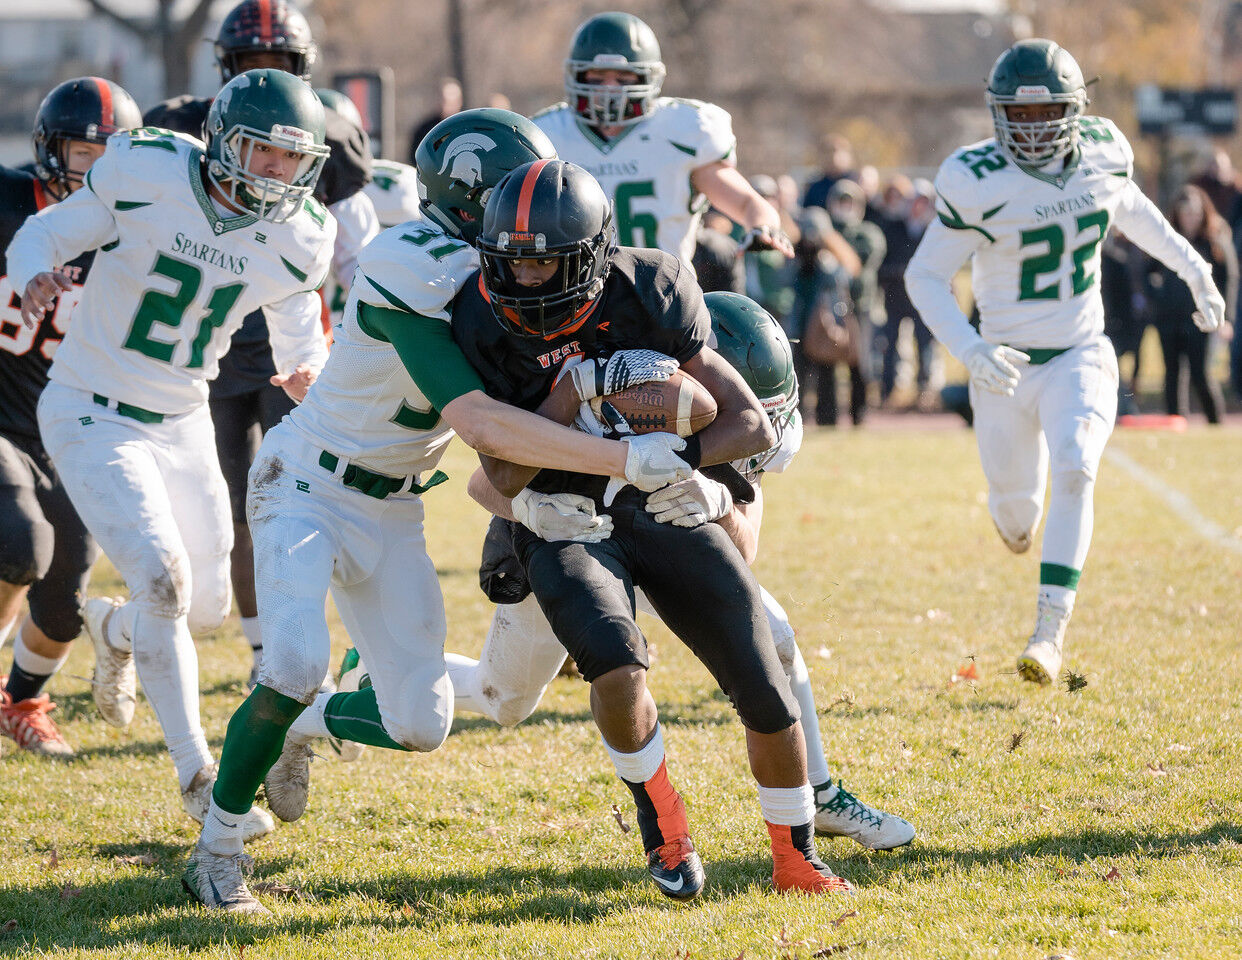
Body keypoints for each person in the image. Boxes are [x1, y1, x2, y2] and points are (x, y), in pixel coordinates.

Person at [181, 111, 696, 914]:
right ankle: (216, 849)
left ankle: (307, 726)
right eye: (513, 200)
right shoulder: (414, 265)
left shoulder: (511, 272)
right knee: (289, 661)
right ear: (470, 203)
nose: (535, 219)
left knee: (422, 723)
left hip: (393, 506)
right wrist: (627, 459)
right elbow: (482, 424)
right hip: (307, 484)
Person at [450, 158, 856, 900]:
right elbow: (498, 476)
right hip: (558, 506)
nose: (527, 282)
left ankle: (797, 858)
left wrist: (692, 466)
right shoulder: (476, 316)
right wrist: (574, 394)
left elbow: (744, 420)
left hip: (657, 495)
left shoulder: (653, 288)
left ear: (594, 258)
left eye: (547, 264)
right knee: (614, 661)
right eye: (513, 263)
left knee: (762, 678)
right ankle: (665, 829)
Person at [442, 289, 915, 854]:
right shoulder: (617, 386)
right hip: (573, 538)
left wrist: (717, 497)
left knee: (776, 638)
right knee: (505, 699)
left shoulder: (725, 416)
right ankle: (365, 688)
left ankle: (819, 793)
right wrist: (531, 507)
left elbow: (746, 538)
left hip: (668, 543)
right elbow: (485, 484)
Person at [10, 68, 337, 838]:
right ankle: (199, 775)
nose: (278, 172)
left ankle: (112, 629)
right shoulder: (151, 169)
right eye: (263, 151)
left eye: (294, 158)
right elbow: (48, 230)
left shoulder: (299, 232)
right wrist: (34, 275)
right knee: (162, 581)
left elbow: (298, 324)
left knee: (207, 608)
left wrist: (307, 373)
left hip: (183, 416)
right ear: (225, 141)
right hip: (91, 406)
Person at [905, 39, 1225, 684]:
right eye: (1017, 115)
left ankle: (1049, 633)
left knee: (1077, 469)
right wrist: (971, 349)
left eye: (1046, 112)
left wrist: (1195, 270)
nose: (1031, 127)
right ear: (996, 115)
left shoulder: (1103, 155)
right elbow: (924, 276)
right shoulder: (977, 179)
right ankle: (1018, 524)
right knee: (1016, 511)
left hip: (1081, 350)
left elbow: (1135, 213)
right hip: (1004, 365)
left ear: (1075, 109)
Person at [145, 0, 378, 686]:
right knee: (226, 511)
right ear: (227, 67)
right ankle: (259, 652)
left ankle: (299, 644)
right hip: (201, 348)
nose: (268, 79)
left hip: (291, 347)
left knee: (302, 499)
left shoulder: (327, 128)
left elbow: (357, 253)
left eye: (280, 64)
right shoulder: (182, 129)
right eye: (253, 65)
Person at [0, 78, 142, 757]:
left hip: (69, 426)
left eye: (110, 158)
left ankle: (22, 700)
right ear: (52, 150)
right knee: (22, 544)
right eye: (84, 154)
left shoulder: (132, 236)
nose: (95, 172)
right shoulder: (7, 200)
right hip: (1, 414)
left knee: (65, 600)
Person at [533, 11, 794, 270]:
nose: (610, 89)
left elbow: (746, 201)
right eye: (597, 77)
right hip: (576, 301)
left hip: (663, 298)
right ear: (577, 77)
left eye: (624, 78)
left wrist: (764, 226)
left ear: (649, 78)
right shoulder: (548, 137)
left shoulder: (681, 132)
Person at [1144, 184, 1236, 423]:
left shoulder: (1215, 241)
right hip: (1169, 317)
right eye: (1185, 213)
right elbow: (1146, 272)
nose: (1190, 219)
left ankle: (1215, 422)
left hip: (1200, 318)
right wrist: (1158, 298)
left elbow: (1230, 279)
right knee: (1172, 374)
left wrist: (1226, 318)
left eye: (1195, 213)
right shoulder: (1169, 240)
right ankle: (1176, 422)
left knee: (1200, 374)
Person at [405, 77, 463, 166]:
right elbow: (415, 158)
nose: (446, 106)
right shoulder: (425, 129)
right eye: (444, 100)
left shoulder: (466, 126)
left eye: (451, 101)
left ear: (459, 101)